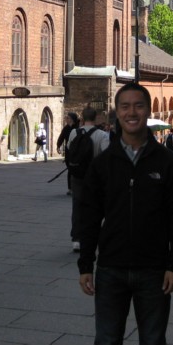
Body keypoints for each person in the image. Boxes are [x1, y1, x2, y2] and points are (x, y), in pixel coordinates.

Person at [78, 83, 173, 345]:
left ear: (148, 111)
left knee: (152, 339)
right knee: (106, 339)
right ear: (116, 112)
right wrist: (86, 265)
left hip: (154, 269)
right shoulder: (103, 164)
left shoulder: (168, 163)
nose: (132, 112)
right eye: (125, 106)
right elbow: (89, 218)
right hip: (110, 268)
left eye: (138, 106)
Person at [67, 107, 110, 253]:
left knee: (77, 206)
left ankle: (77, 239)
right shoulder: (102, 135)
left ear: (83, 118)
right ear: (96, 117)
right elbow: (106, 156)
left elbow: (69, 148)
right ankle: (94, 236)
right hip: (95, 177)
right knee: (96, 207)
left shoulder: (74, 132)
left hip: (77, 175)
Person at [57, 112, 80, 195]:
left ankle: (77, 187)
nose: (66, 119)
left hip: (77, 152)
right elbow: (61, 137)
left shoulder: (78, 127)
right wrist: (58, 146)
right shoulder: (66, 128)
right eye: (66, 118)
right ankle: (70, 188)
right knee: (70, 170)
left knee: (74, 170)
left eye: (68, 118)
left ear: (72, 119)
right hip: (68, 152)